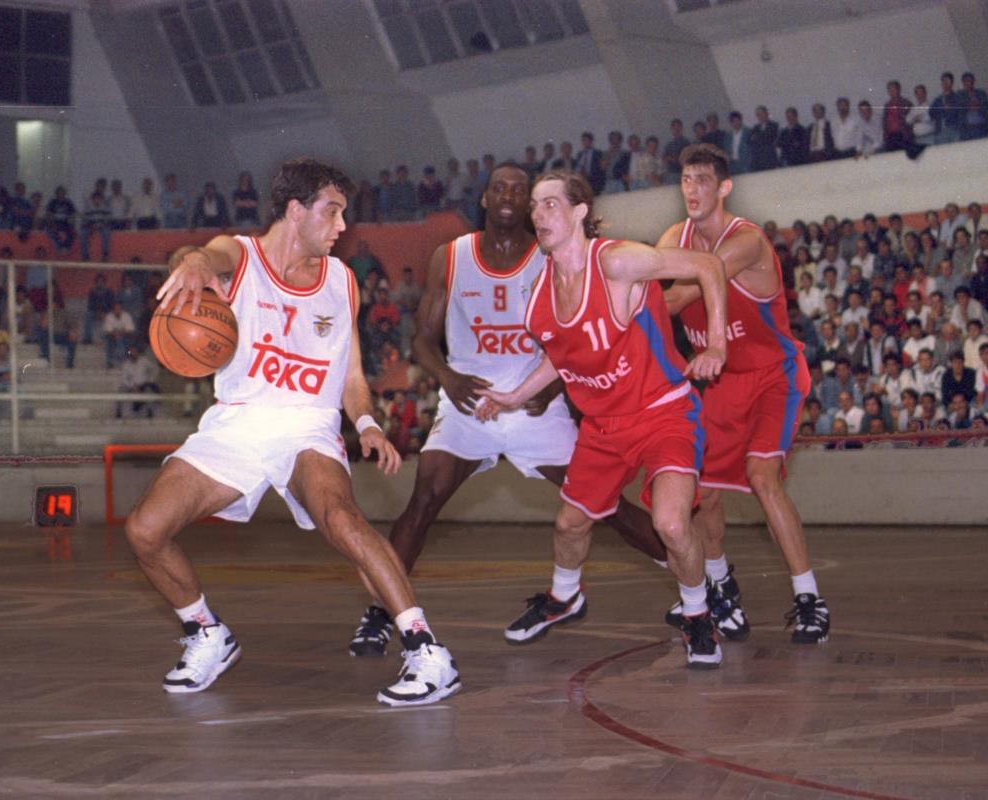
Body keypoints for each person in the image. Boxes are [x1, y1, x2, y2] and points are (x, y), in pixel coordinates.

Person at [127, 158, 459, 706]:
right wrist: (190, 263)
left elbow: (349, 373)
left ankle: (427, 652)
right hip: (237, 421)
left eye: (344, 214)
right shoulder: (241, 257)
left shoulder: (340, 280)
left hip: (307, 422)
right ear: (294, 210)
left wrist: (369, 423)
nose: (342, 226)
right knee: (145, 530)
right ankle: (206, 632)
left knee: (342, 520)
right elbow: (207, 254)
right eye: (332, 212)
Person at [347, 164, 669, 657]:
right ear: (484, 197)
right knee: (425, 498)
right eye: (500, 187)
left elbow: (579, 332)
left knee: (606, 507)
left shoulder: (552, 256)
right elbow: (423, 340)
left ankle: (698, 576)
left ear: (530, 205)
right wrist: (449, 378)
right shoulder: (449, 257)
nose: (509, 196)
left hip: (535, 399)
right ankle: (380, 614)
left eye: (521, 191)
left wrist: (555, 383)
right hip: (468, 398)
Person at [477, 170, 729, 669]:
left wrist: (716, 340)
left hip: (663, 414)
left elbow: (708, 266)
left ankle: (698, 613)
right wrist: (512, 396)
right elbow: (563, 356)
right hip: (602, 427)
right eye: (535, 205)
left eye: (551, 204)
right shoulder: (539, 301)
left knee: (672, 524)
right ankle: (564, 597)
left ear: (579, 213)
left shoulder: (616, 262)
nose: (539, 213)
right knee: (570, 525)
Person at [661, 143, 830, 646]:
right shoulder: (675, 236)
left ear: (724, 187)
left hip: (771, 376)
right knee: (702, 493)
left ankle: (809, 599)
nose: (692, 189)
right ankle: (720, 587)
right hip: (718, 381)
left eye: (703, 180)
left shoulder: (747, 242)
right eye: (686, 179)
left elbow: (677, 295)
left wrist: (617, 296)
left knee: (762, 476)